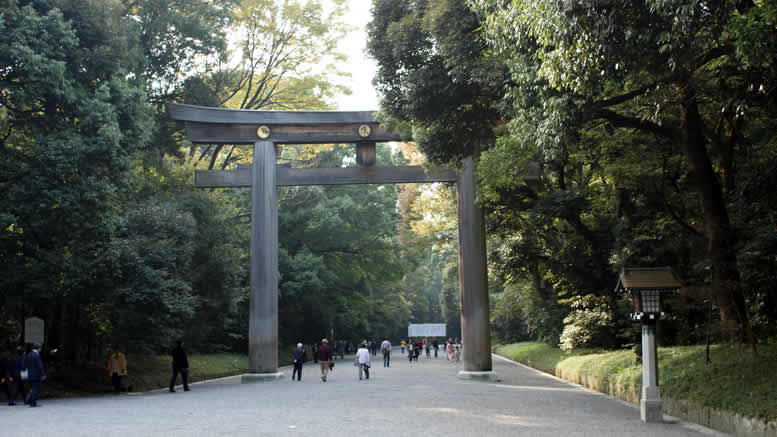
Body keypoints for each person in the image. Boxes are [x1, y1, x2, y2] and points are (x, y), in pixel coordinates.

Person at [24, 343, 45, 407]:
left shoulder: (29, 354)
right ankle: (33, 402)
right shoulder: (36, 355)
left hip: (30, 374)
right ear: (38, 348)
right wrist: (43, 374)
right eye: (40, 348)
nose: (40, 350)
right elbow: (39, 365)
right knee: (36, 389)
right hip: (36, 375)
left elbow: (26, 364)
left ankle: (30, 401)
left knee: (32, 388)